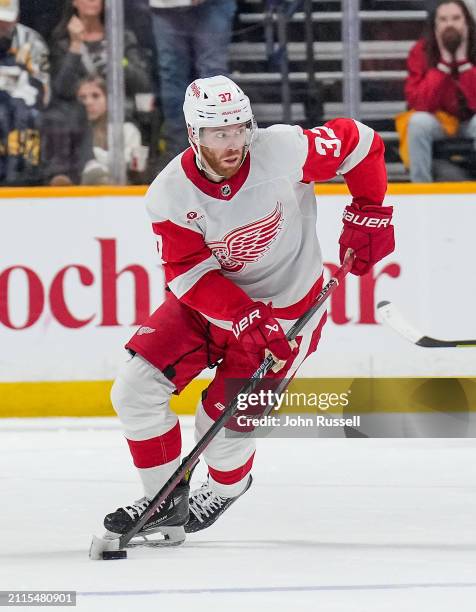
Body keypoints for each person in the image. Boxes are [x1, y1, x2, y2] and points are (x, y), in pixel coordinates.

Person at [102, 75, 395, 544]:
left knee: (221, 427)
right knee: (134, 390)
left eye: (239, 129)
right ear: (194, 134)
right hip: (205, 307)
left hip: (285, 316)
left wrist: (370, 208)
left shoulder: (281, 150)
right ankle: (165, 501)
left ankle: (226, 488)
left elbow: (360, 142)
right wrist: (240, 313)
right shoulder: (170, 192)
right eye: (219, 134)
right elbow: (188, 274)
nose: (233, 143)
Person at [149, 0, 237, 165]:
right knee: (172, 78)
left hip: (212, 6)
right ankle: (178, 155)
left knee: (213, 79)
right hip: (165, 7)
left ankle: (221, 150)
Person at [401, 0, 476, 182]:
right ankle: (421, 190)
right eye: (443, 19)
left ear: (467, 23)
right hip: (439, 121)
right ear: (435, 26)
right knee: (417, 123)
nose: (450, 24)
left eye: (456, 18)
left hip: (471, 121)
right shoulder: (421, 51)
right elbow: (418, 103)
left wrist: (463, 62)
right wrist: (442, 66)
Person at [49, 0, 152, 112]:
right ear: (74, 2)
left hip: (120, 114)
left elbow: (143, 83)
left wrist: (119, 62)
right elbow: (62, 90)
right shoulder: (63, 43)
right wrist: (75, 45)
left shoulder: (121, 37)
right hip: (80, 117)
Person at [0, 0, 49, 185]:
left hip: (21, 106)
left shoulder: (31, 42)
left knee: (26, 114)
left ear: (16, 18)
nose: (1, 25)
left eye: (5, 20)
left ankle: (23, 174)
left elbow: (41, 90)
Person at [77, 76, 144, 183]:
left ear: (109, 100)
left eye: (95, 96)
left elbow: (129, 161)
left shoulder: (127, 130)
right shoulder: (73, 133)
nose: (88, 102)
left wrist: (92, 153)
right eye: (82, 98)